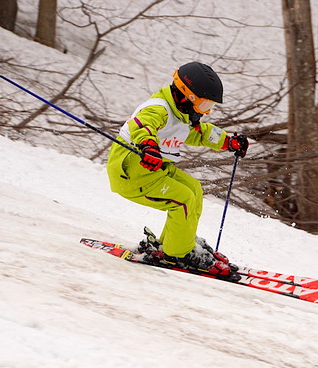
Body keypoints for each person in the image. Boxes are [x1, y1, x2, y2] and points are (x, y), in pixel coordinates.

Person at [107, 62, 249, 276]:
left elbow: (198, 133)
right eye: (204, 105)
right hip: (131, 172)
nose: (206, 111)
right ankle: (178, 253)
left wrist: (228, 142)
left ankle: (176, 242)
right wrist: (148, 145)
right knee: (182, 199)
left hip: (153, 171)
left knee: (193, 189)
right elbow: (142, 124)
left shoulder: (180, 113)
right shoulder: (159, 108)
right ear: (187, 95)